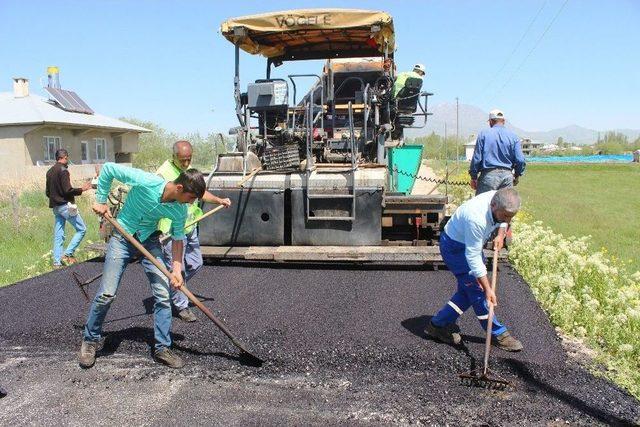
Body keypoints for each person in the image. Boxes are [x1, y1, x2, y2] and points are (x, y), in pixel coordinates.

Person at [78, 162, 206, 370]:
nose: (191, 203)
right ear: (180, 188)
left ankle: (162, 347)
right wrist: (100, 200)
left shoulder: (179, 210)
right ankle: (90, 340)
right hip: (122, 238)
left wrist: (175, 270)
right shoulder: (147, 182)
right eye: (191, 198)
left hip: (149, 241)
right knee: (107, 294)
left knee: (163, 295)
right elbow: (109, 169)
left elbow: (178, 239)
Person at [426, 188, 524, 352]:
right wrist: (488, 289)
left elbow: (505, 219)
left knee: (466, 293)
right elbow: (472, 257)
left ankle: (438, 324)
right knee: (478, 291)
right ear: (493, 205)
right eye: (505, 215)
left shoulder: (501, 201)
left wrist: (501, 234)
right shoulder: (476, 219)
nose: (508, 219)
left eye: (511, 216)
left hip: (469, 243)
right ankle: (498, 334)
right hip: (455, 248)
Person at [156, 140, 231, 322]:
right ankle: (182, 306)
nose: (186, 164)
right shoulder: (163, 174)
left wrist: (219, 200)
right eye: (182, 160)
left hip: (190, 226)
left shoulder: (189, 170)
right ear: (173, 156)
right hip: (171, 231)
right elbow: (156, 202)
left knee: (196, 263)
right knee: (178, 268)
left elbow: (200, 193)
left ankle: (174, 283)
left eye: (188, 159)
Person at [45, 148, 92, 268]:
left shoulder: (49, 171)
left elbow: (47, 193)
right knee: (82, 229)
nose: (68, 161)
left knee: (59, 234)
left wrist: (56, 197)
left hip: (56, 207)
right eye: (67, 159)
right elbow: (67, 190)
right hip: (65, 206)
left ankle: (56, 262)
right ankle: (67, 253)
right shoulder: (63, 171)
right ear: (65, 157)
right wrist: (82, 189)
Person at [469, 109, 526, 195]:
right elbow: (520, 160)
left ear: (491, 121)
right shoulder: (514, 136)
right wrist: (517, 175)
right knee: (504, 207)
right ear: (504, 121)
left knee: (483, 206)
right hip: (507, 177)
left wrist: (474, 177)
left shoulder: (483, 134)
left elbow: (477, 158)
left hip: (488, 177)